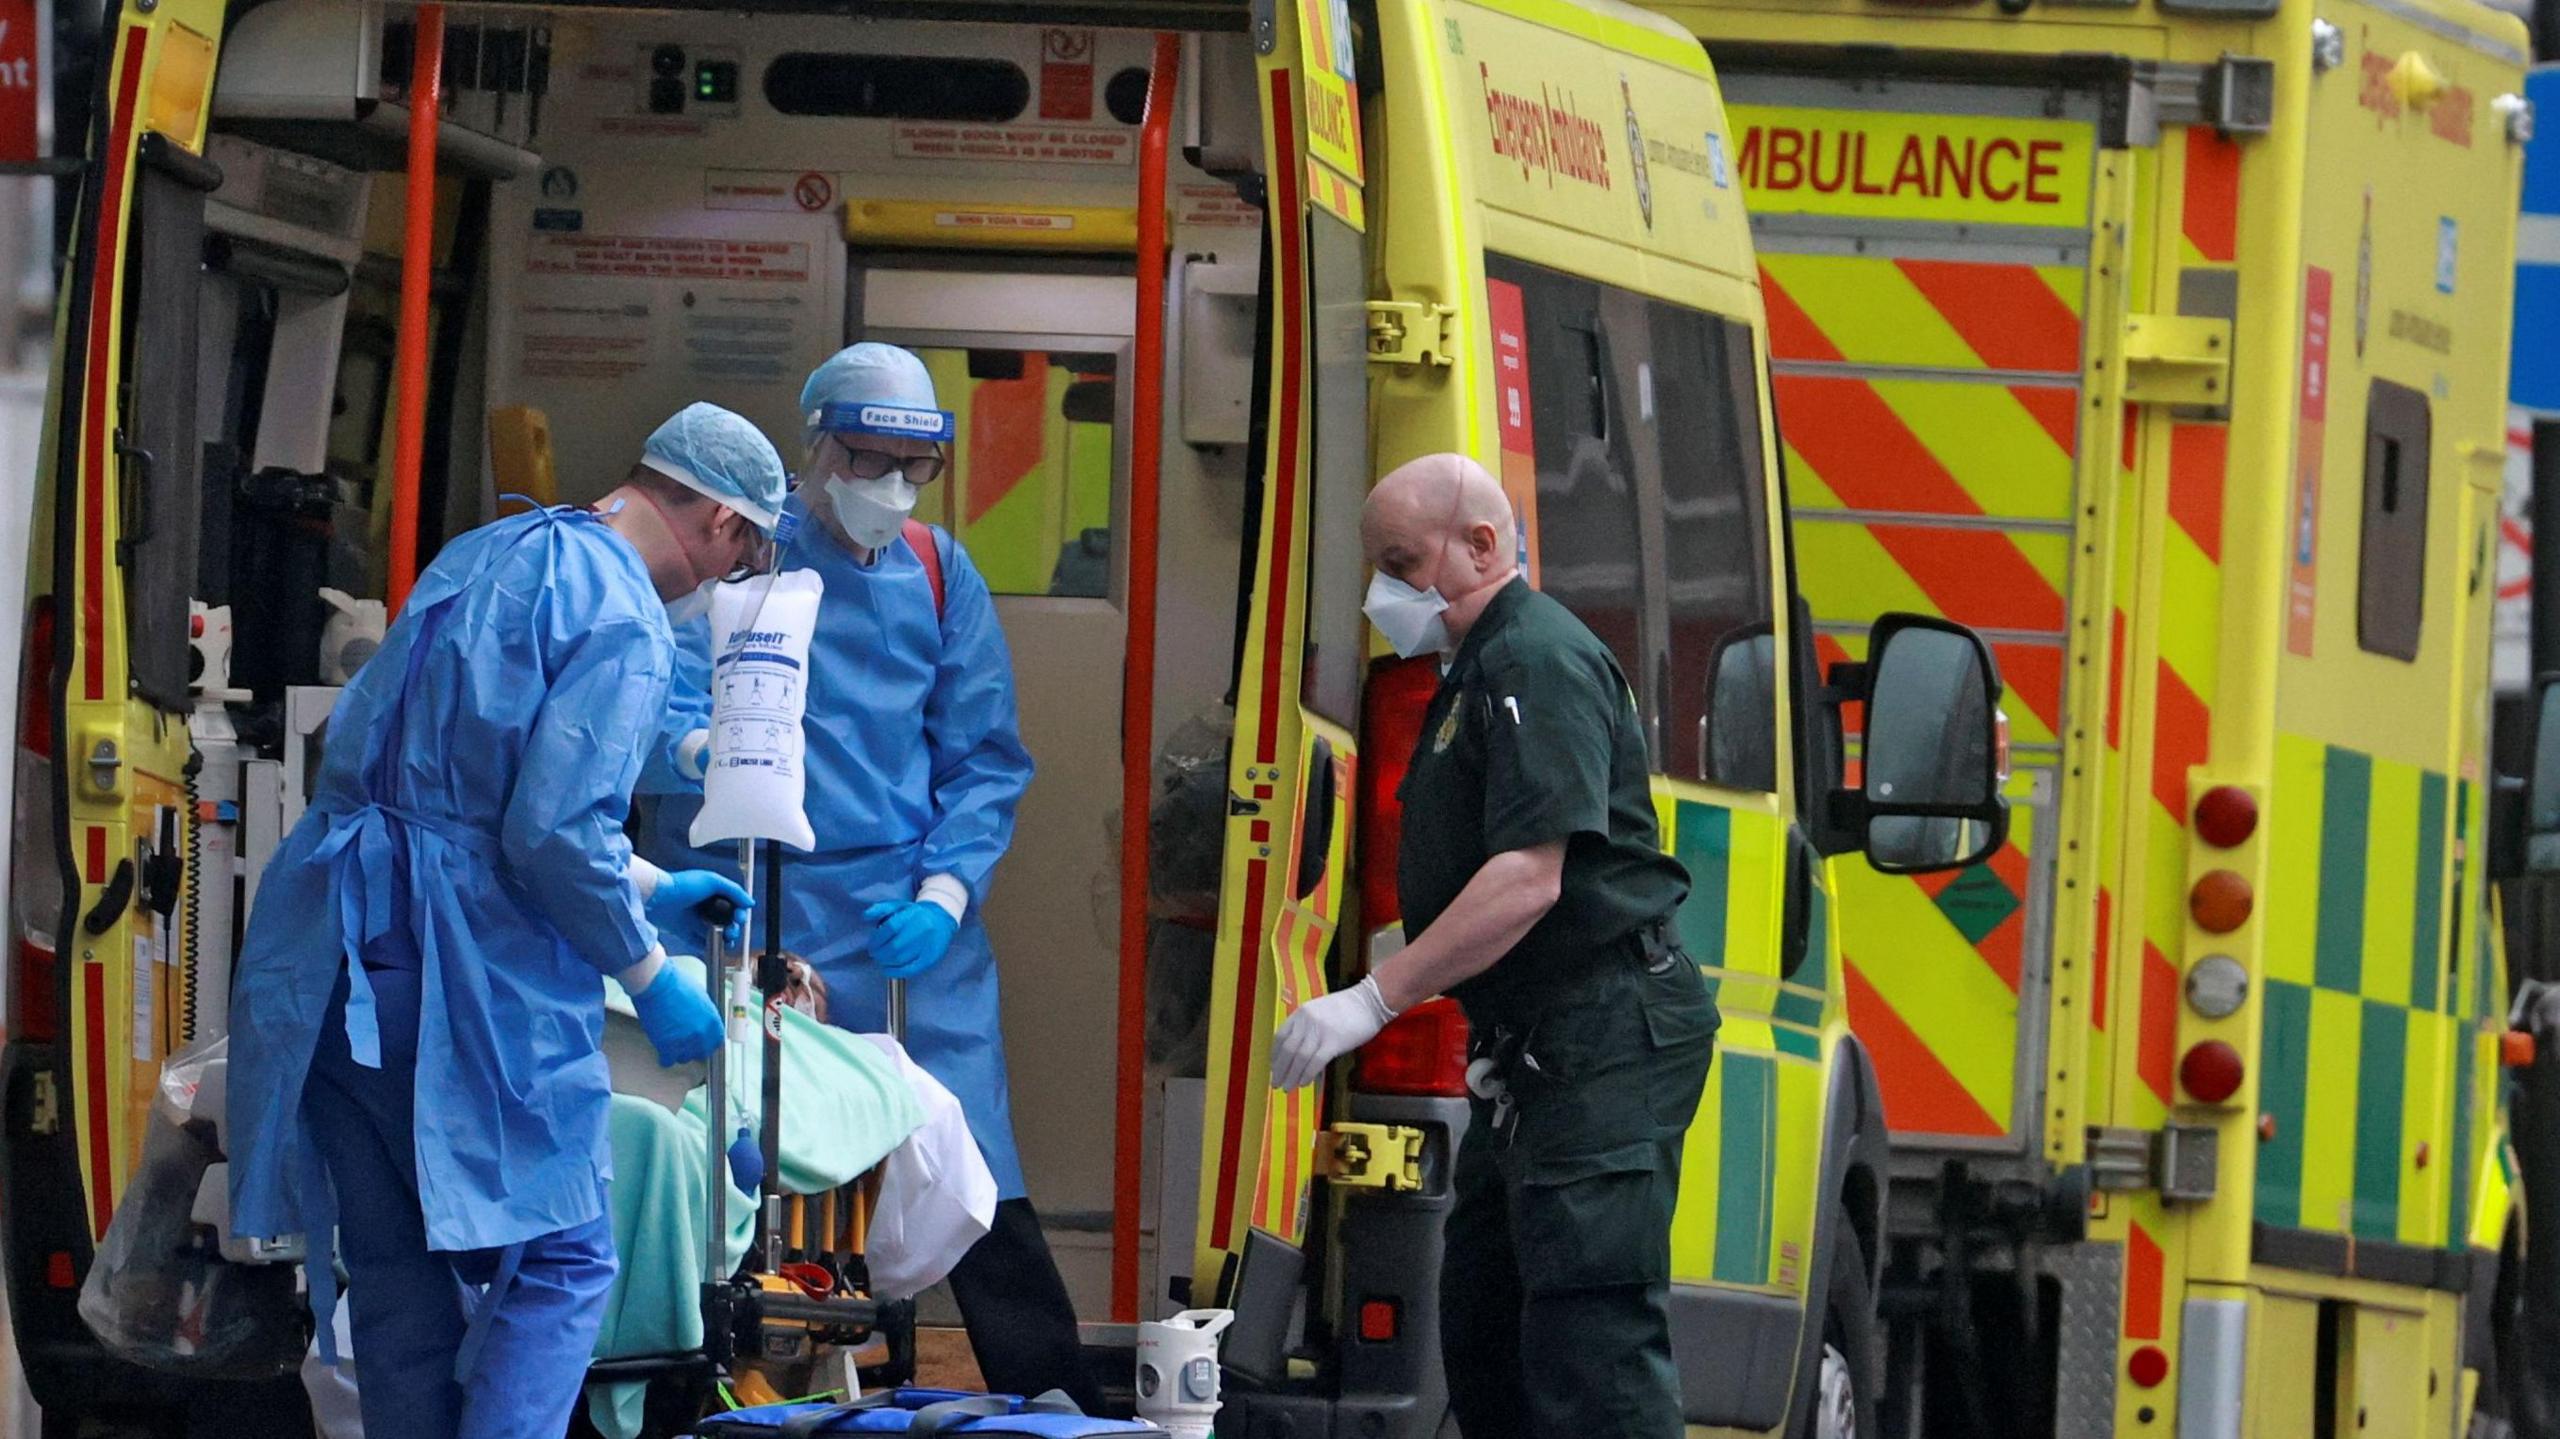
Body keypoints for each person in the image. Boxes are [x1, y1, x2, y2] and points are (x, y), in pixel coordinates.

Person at [226, 403, 791, 1439]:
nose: (721, 581)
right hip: (451, 980)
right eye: (742, 552)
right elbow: (547, 834)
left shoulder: (492, 550)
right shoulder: (619, 611)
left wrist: (650, 881)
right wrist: (650, 967)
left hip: (334, 957)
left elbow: (439, 789)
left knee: (401, 1279)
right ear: (716, 517)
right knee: (565, 1260)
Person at [638, 343, 1097, 1408]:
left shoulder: (939, 572)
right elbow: (646, 701)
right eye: (867, 459)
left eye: (912, 467)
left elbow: (982, 754)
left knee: (976, 1168)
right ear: (816, 448)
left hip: (899, 911)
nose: (888, 488)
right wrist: (703, 753)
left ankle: (1056, 1401)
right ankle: (699, 1394)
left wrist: (944, 895)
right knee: (723, 1167)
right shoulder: (737, 552)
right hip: (740, 899)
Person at [1270, 453, 1719, 1439]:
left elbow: (1529, 875)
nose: (1381, 589)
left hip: (1603, 1032)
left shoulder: (1531, 660)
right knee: (1487, 1328)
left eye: (1399, 559)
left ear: (1479, 545)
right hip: (1541, 1044)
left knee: (1587, 1342)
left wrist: (1373, 997)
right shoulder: (1474, 670)